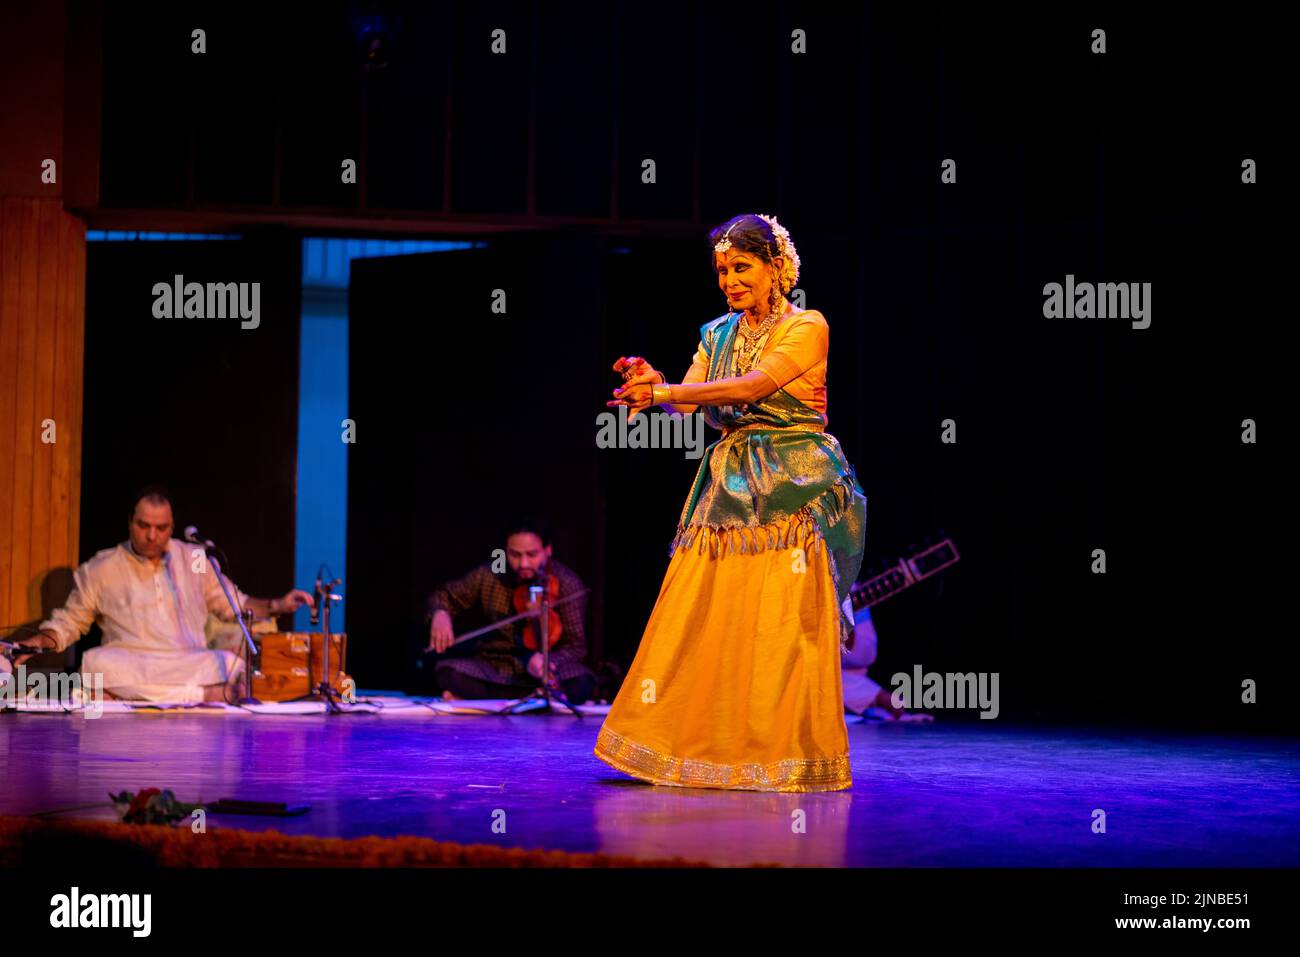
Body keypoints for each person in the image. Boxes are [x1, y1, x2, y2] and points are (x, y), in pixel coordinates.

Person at [594, 213, 868, 791]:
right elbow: (692, 404)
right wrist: (654, 385)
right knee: (700, 616)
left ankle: (779, 755)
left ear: (776, 268)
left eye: (742, 267)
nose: (729, 280)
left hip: (795, 484)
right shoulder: (714, 334)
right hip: (727, 490)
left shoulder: (808, 325)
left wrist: (668, 390)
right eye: (722, 270)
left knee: (779, 628)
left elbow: (751, 387)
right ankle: (686, 748)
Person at [8, 486, 314, 704]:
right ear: (130, 522)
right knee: (96, 663)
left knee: (230, 664)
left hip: (188, 662)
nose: (152, 536)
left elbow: (236, 605)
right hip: (132, 661)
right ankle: (205, 696)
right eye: (143, 526)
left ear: (172, 527)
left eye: (162, 528)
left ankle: (125, 697)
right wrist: (34, 644)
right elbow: (68, 623)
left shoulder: (194, 557)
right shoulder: (101, 567)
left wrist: (277, 604)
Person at [426, 519, 597, 704]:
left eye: (532, 554)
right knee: (449, 672)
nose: (523, 563)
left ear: (548, 550)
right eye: (515, 554)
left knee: (581, 682)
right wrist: (440, 613)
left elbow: (576, 646)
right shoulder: (492, 573)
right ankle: (535, 700)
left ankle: (503, 699)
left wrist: (546, 661)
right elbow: (446, 595)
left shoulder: (567, 582)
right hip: (499, 667)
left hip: (548, 672)